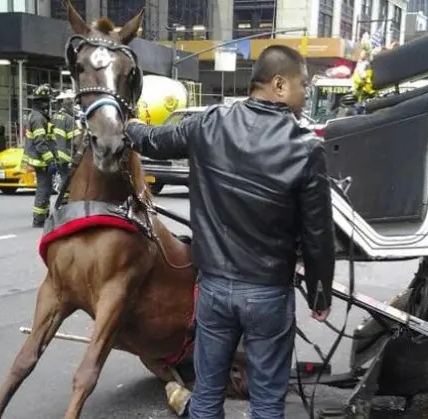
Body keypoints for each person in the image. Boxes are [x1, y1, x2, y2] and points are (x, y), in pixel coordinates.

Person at [125, 45, 335, 418]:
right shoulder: (306, 147)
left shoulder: (209, 124)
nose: (306, 93)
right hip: (268, 293)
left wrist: (124, 124)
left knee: (206, 395)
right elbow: (318, 234)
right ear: (280, 85)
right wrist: (320, 295)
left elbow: (152, 140)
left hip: (214, 290)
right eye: (303, 84)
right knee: (267, 401)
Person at [21, 84, 58, 228]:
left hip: (42, 160)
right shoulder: (38, 119)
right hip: (41, 161)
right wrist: (50, 160)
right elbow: (40, 142)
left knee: (46, 188)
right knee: (43, 189)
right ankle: (39, 219)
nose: (49, 105)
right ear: (43, 102)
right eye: (47, 102)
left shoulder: (39, 116)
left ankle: (42, 216)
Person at [51, 90, 81, 202]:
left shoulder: (54, 117)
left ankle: (63, 199)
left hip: (55, 154)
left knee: (63, 176)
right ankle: (65, 200)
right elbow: (76, 140)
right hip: (66, 155)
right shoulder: (69, 119)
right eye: (73, 104)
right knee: (68, 179)